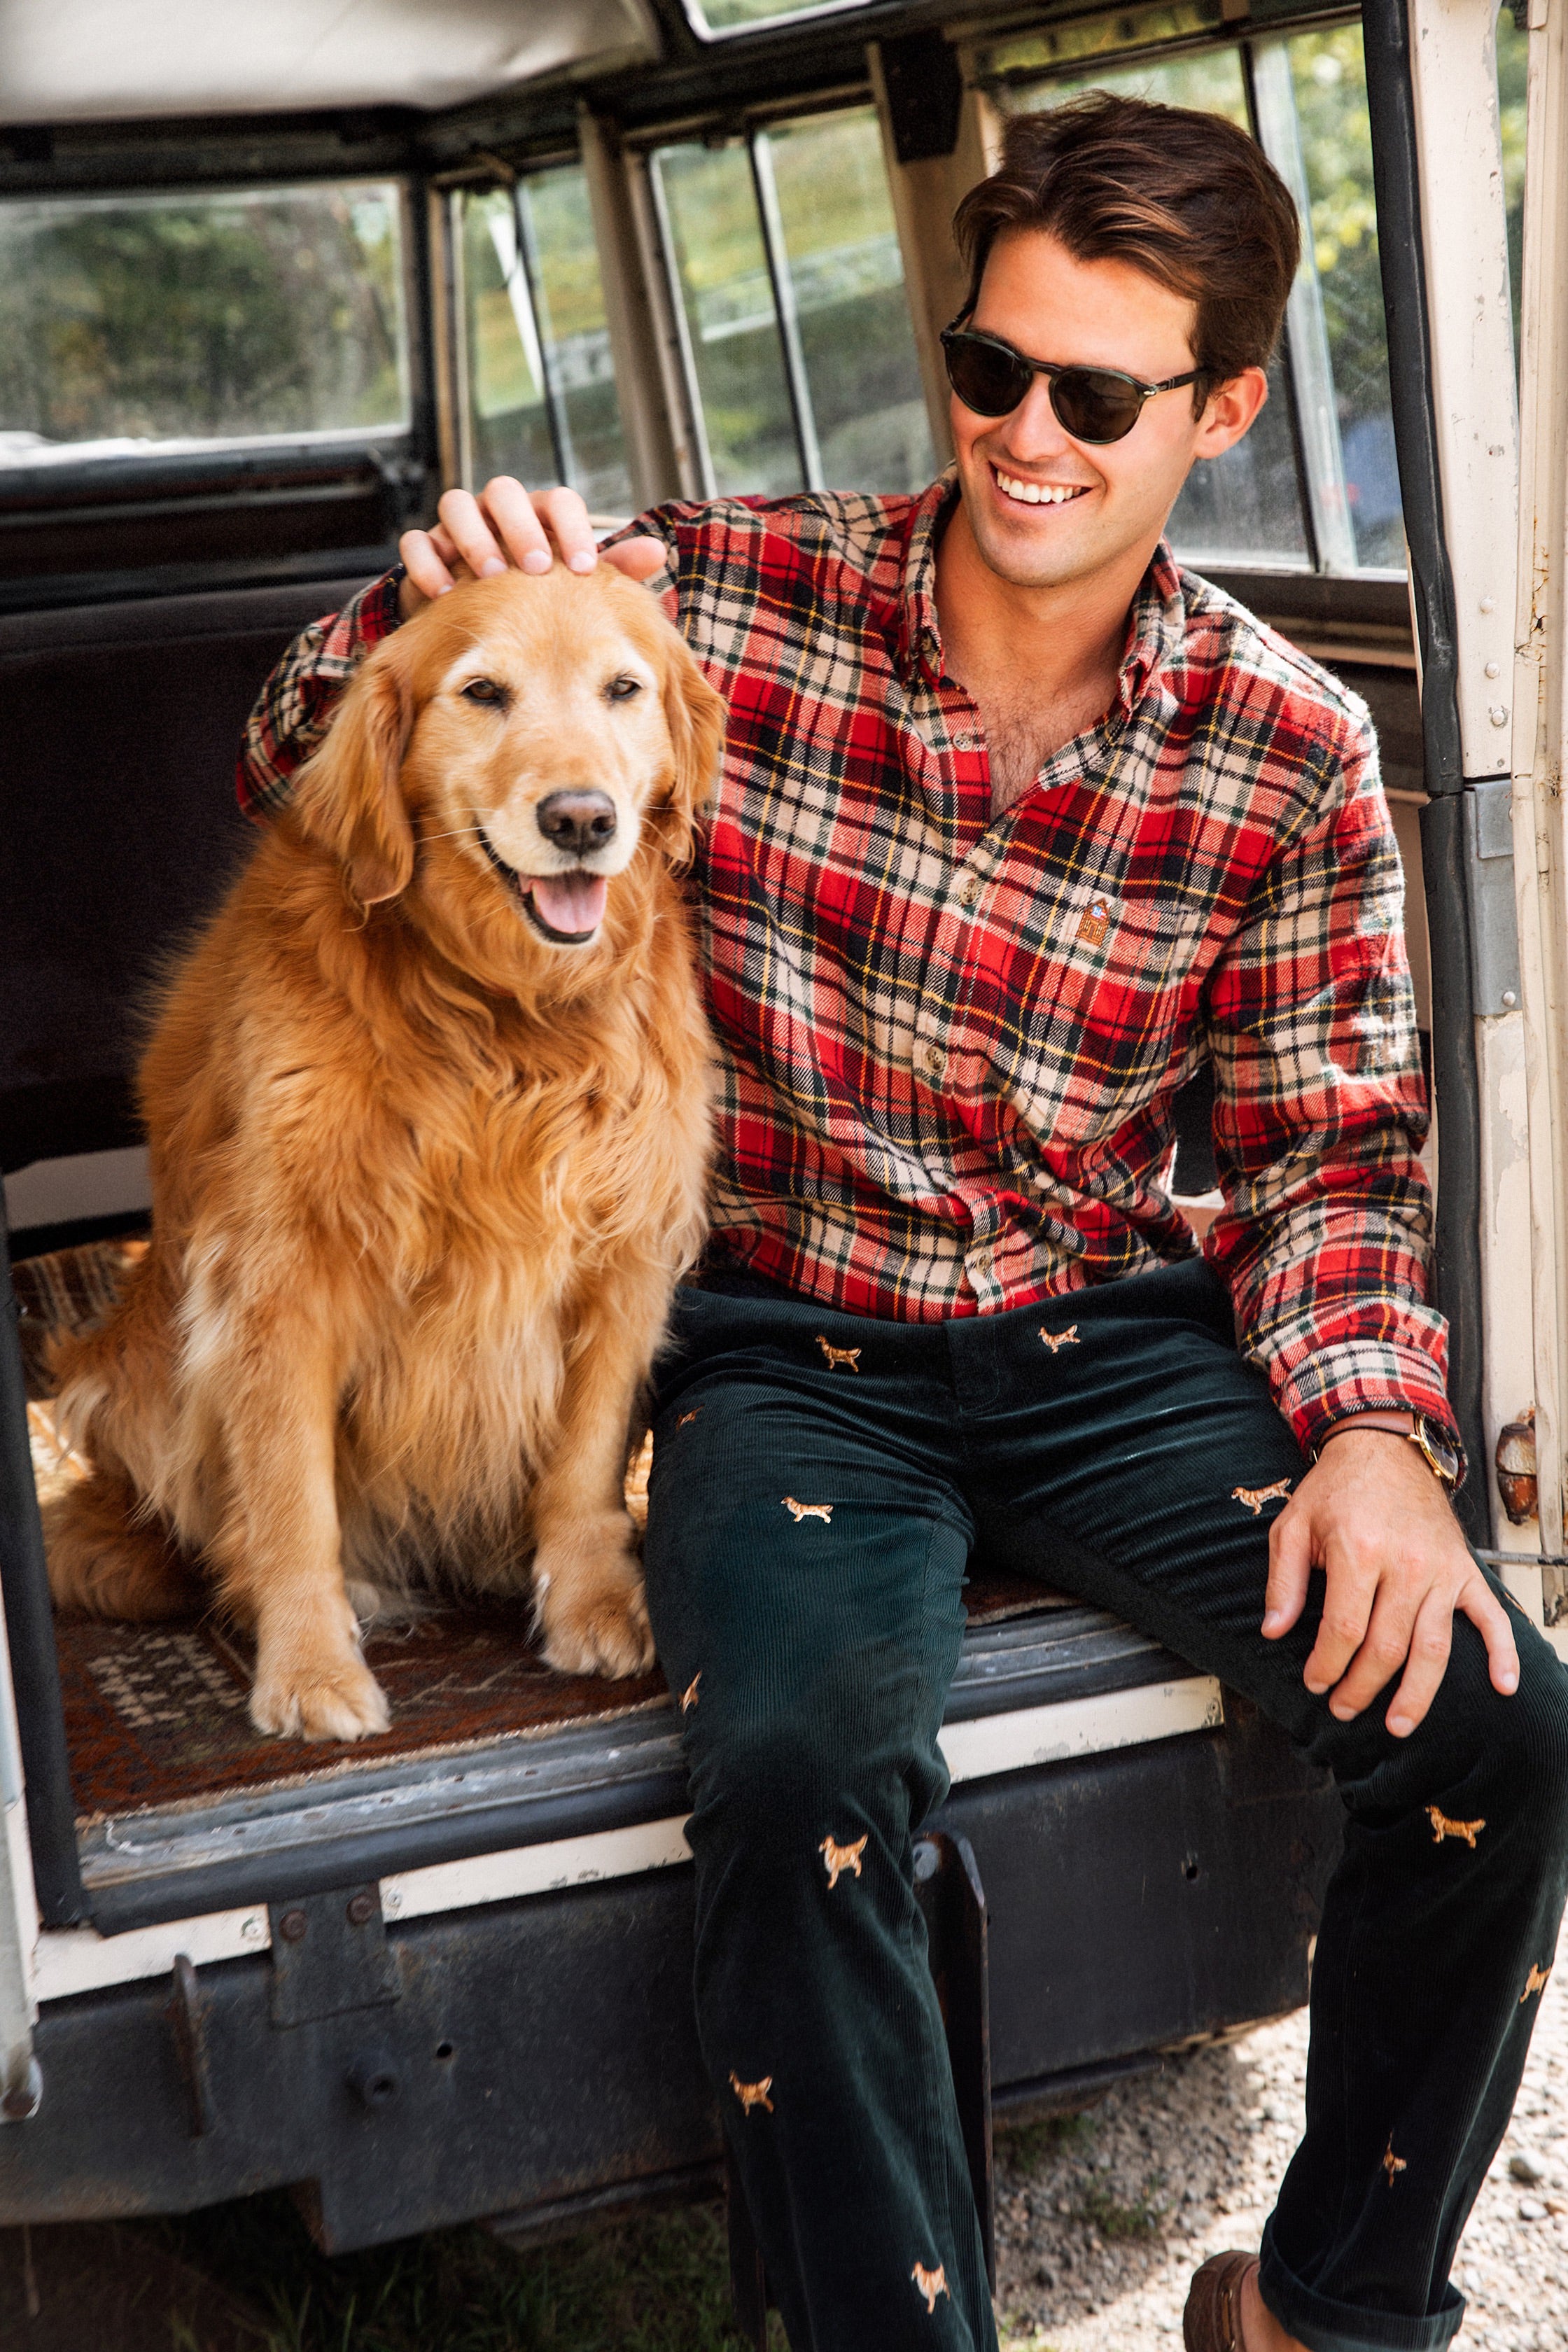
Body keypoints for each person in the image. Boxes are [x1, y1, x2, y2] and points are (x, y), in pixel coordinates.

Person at [238, 92, 1568, 2352]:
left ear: (1228, 410)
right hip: (790, 1355)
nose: (1022, 436)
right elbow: (298, 753)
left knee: (1503, 1726)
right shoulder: (720, 600)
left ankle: (1329, 2314)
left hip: (1105, 1341)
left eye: (1095, 395)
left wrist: (1374, 1440)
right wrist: (422, 590)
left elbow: (1334, 1158)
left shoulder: (1294, 745)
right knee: (793, 1765)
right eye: (988, 369)